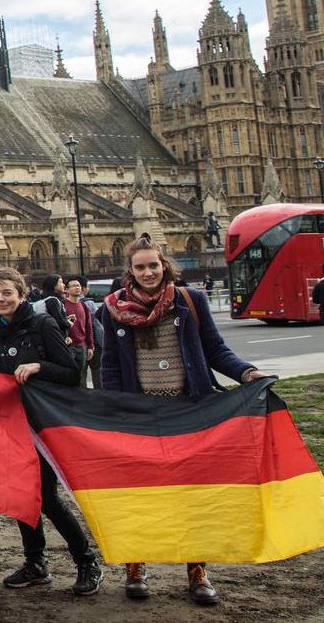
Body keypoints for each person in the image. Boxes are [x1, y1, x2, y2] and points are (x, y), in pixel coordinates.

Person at [97, 235, 268, 607]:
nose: (147, 272)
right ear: (131, 270)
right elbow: (109, 366)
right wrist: (117, 411)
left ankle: (197, 570)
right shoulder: (112, 310)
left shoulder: (191, 301)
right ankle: (136, 565)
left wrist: (246, 373)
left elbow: (216, 350)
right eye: (140, 267)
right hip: (141, 417)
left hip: (188, 412)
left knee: (193, 495)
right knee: (138, 495)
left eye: (153, 265)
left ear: (164, 265)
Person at [0, 268, 101, 597]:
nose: (0, 299)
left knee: (47, 498)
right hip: (9, 426)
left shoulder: (42, 324)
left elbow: (71, 371)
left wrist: (39, 366)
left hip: (41, 425)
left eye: (7, 293)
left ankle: (86, 561)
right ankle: (35, 563)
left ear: (22, 295)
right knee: (22, 496)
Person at [61, 277, 97, 388]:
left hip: (82, 346)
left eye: (79, 286)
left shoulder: (84, 306)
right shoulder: (62, 305)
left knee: (82, 376)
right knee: (68, 377)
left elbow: (88, 327)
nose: (77, 288)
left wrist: (90, 346)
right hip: (68, 346)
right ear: (66, 290)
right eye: (74, 286)